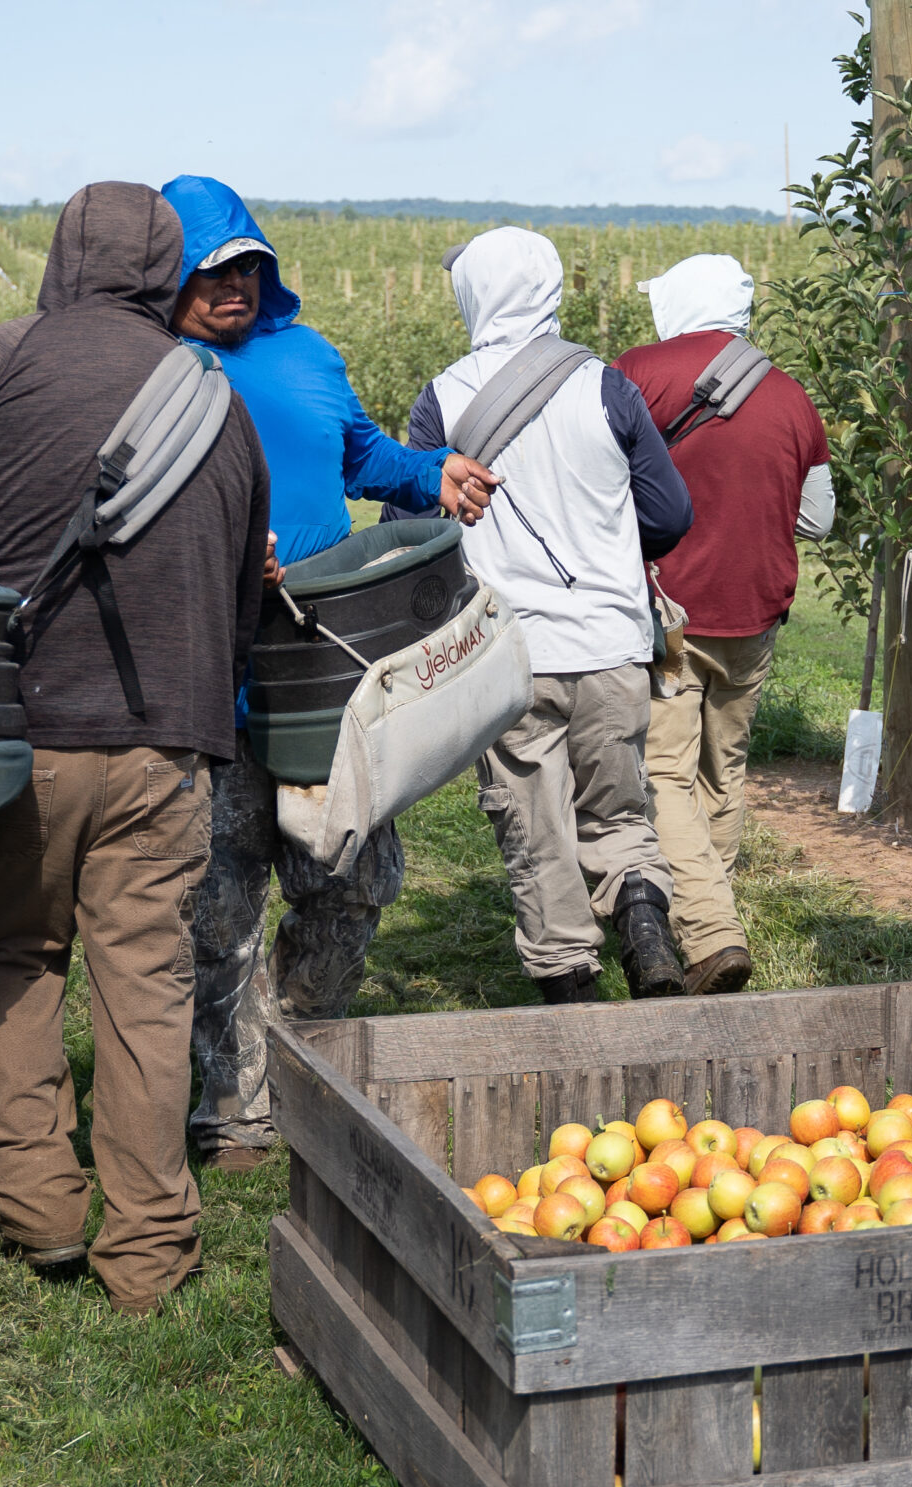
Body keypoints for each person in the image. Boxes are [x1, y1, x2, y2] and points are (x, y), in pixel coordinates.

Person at [0, 182, 270, 1315]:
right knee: (143, 983)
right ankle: (148, 1246)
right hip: (168, 746)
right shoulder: (212, 397)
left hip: (17, 732)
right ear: (163, 272)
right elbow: (243, 579)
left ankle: (39, 1204)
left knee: (9, 953)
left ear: (59, 254)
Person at [157, 176, 498, 1172]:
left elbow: (359, 452)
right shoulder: (152, 370)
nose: (236, 285)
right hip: (210, 682)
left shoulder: (307, 357)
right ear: (169, 277)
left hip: (328, 669)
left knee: (349, 882)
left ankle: (299, 1044)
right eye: (213, 270)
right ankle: (233, 1110)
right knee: (220, 906)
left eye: (250, 266)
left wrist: (426, 473)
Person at [393, 227, 696, 1004]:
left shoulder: (444, 397)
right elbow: (668, 512)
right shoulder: (605, 386)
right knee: (619, 805)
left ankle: (570, 987)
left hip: (509, 655)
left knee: (536, 823)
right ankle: (642, 917)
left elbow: (411, 521)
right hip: (612, 645)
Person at [614, 255, 833, 995]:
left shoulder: (639, 371)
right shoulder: (791, 396)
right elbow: (819, 516)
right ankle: (714, 906)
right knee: (723, 767)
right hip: (756, 612)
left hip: (671, 608)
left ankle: (710, 932)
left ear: (677, 301)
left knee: (665, 772)